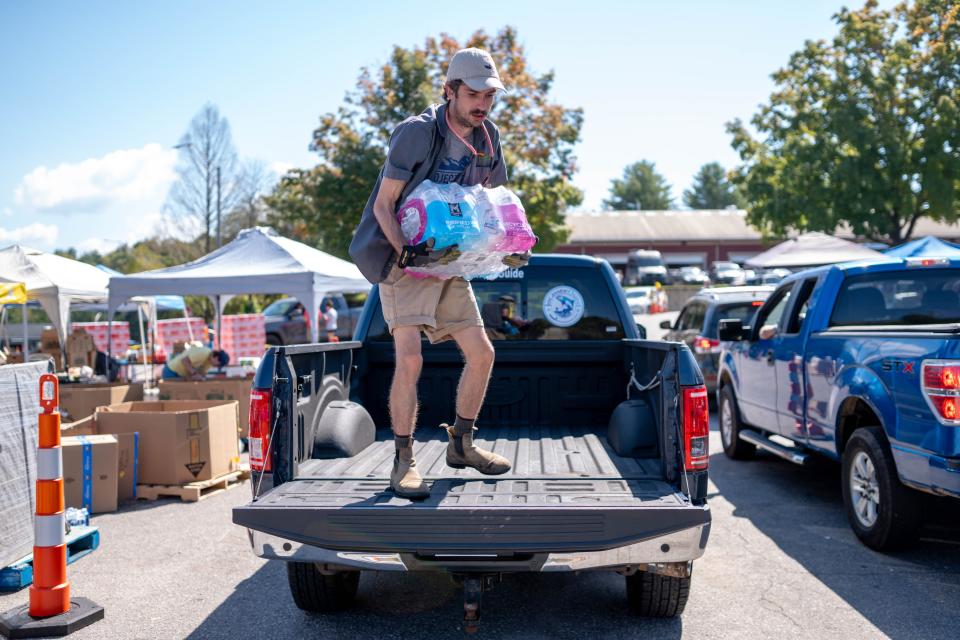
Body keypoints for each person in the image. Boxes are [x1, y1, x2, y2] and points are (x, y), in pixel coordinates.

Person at [349, 48, 531, 499]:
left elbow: (490, 203)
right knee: (410, 357)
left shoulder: (488, 136)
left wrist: (505, 247)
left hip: (449, 260)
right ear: (449, 90)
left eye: (490, 96)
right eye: (473, 94)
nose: (483, 105)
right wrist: (407, 253)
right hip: (404, 258)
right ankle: (404, 460)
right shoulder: (417, 133)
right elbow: (383, 204)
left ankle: (462, 444)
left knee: (483, 353)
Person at [162, 345, 229, 380]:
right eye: (218, 365)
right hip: (171, 371)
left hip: (180, 374)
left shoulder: (210, 362)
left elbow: (202, 373)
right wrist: (194, 374)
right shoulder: (203, 352)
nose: (216, 366)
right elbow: (184, 360)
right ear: (216, 358)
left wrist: (201, 377)